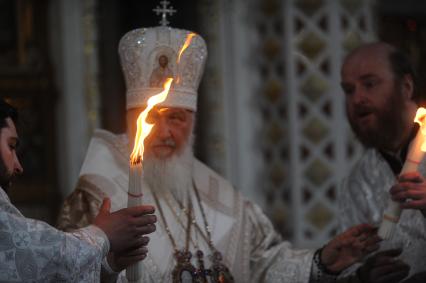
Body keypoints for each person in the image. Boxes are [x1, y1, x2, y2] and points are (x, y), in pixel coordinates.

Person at [58, 26, 380, 283]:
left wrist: (323, 261)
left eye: (177, 118)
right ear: (135, 121)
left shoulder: (223, 197)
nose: (165, 132)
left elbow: (263, 266)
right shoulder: (98, 195)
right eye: (154, 117)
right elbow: (67, 271)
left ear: (193, 122)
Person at [0, 99, 157, 282]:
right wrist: (102, 234)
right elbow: (32, 253)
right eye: (11, 146)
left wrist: (105, 268)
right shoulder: (90, 191)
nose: (19, 166)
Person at [338, 42, 426, 282]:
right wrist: (365, 274)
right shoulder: (358, 180)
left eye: (369, 84)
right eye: (349, 89)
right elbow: (347, 264)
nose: (357, 99)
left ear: (406, 86)